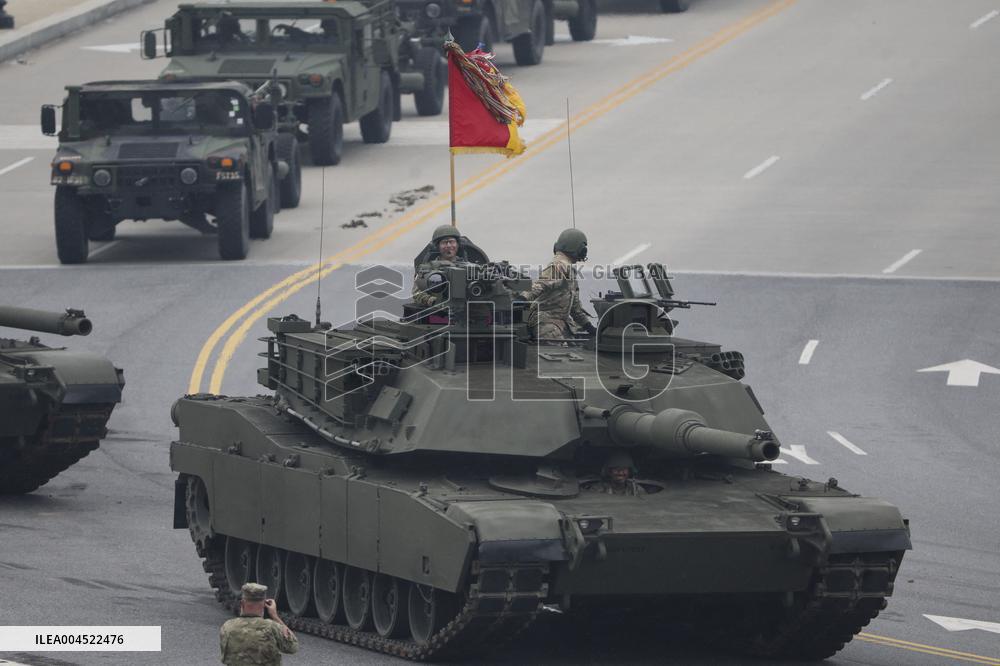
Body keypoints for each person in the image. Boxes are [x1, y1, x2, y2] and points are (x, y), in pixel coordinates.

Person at [524, 228, 596, 342]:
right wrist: (521, 300)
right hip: (547, 325)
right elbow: (539, 286)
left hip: (561, 325)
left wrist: (588, 326)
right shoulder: (559, 266)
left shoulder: (569, 271)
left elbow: (575, 308)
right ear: (578, 249)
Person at [219, 582, 298, 666]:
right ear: (264, 605)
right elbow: (293, 647)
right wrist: (275, 616)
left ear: (242, 603)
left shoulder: (227, 627)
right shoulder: (272, 627)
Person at [411, 224, 467, 306]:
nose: (448, 246)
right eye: (444, 243)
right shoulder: (427, 268)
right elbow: (416, 293)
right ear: (437, 247)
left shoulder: (469, 267)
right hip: (438, 313)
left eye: (451, 242)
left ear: (458, 245)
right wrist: (432, 301)